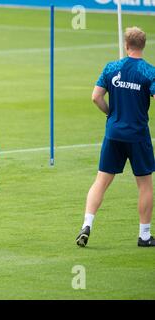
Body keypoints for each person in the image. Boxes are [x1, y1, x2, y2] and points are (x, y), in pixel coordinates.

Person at [76, 27, 155, 248]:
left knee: (101, 181)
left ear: (126, 45)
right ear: (143, 45)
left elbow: (95, 97)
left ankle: (87, 225)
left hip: (113, 134)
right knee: (145, 185)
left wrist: (110, 113)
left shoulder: (111, 68)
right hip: (138, 135)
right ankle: (145, 235)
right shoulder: (149, 72)